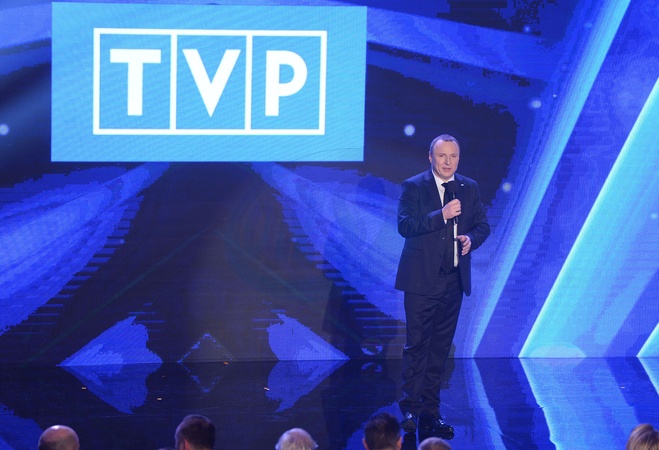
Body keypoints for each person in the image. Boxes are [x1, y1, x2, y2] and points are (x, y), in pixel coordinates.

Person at [395, 134, 490, 437]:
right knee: (417, 345)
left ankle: (431, 411)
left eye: (453, 156)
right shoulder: (414, 186)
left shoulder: (469, 187)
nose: (448, 162)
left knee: (440, 349)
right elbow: (405, 225)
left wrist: (471, 239)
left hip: (453, 281)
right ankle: (410, 409)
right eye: (442, 156)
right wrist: (441, 215)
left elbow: (482, 225)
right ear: (431, 157)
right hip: (421, 280)